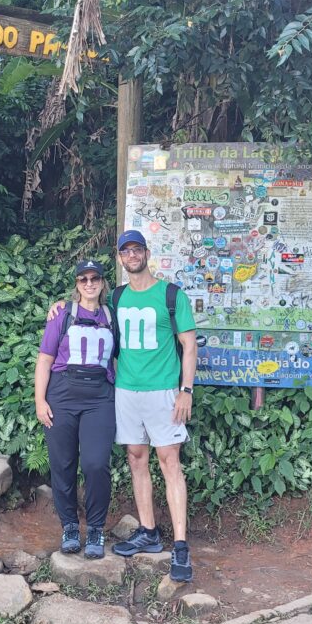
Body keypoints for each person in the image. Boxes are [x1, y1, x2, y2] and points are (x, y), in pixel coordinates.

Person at [47, 230, 199, 581]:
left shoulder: (172, 295)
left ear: (147, 253)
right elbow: (86, 304)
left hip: (163, 390)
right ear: (119, 258)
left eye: (137, 249)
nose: (132, 255)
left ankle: (180, 546)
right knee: (136, 457)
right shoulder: (116, 297)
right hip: (126, 392)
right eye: (125, 251)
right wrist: (57, 306)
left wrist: (186, 390)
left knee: (169, 461)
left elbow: (189, 346)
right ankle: (148, 531)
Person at [34, 260, 117, 559]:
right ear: (77, 284)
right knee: (63, 464)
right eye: (83, 279)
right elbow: (44, 359)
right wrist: (40, 401)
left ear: (103, 282)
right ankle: (69, 525)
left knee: (96, 464)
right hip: (62, 395)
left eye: (95, 278)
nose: (90, 283)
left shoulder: (112, 315)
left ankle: (95, 528)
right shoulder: (62, 314)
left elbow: (120, 355)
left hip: (99, 397)